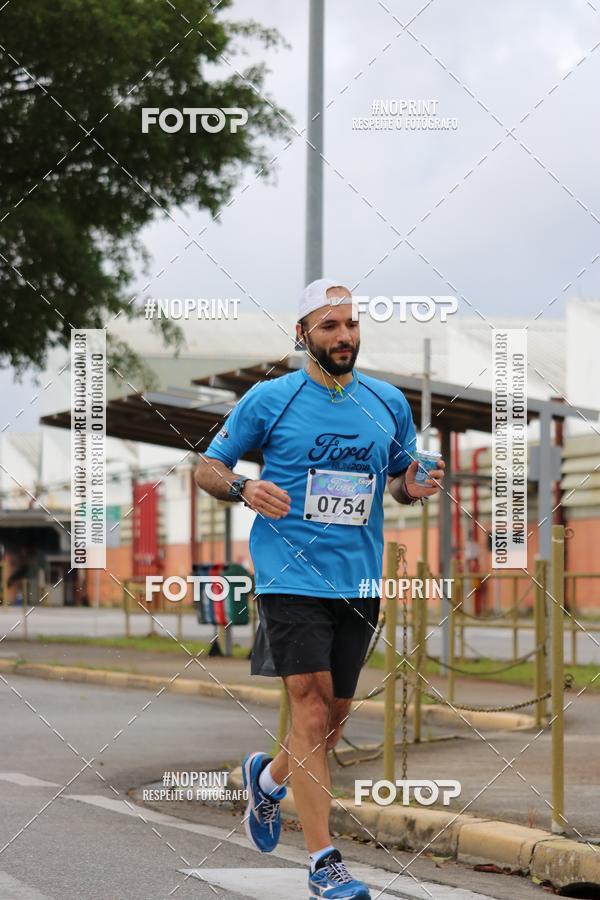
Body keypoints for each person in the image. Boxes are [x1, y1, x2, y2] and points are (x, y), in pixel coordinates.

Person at [195, 279, 445, 900]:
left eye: (352, 325)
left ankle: (268, 778)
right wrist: (243, 489)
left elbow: (396, 478)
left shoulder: (387, 402)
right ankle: (323, 861)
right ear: (303, 333)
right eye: (330, 326)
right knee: (309, 708)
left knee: (331, 723)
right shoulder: (269, 398)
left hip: (357, 579)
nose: (345, 337)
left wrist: (412, 487)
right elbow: (207, 466)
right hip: (288, 574)